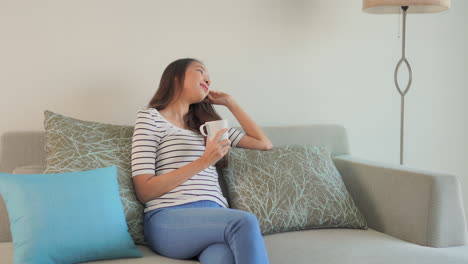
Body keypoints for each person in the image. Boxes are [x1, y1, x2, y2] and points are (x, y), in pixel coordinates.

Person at [131, 58, 273, 264]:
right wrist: (204, 161)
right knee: (244, 221)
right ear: (177, 78)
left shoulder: (209, 125)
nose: (208, 79)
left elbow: (264, 143)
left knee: (224, 258)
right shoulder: (150, 118)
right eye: (200, 71)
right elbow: (144, 191)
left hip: (215, 218)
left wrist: (230, 103)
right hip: (169, 218)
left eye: (209, 77)